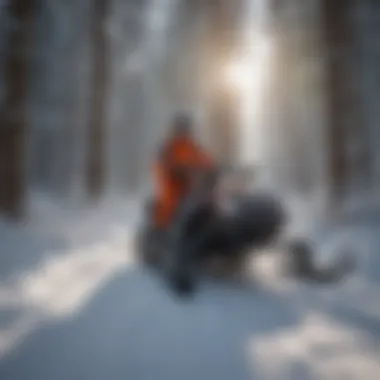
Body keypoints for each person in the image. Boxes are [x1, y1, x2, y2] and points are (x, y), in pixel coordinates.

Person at [152, 114, 215, 231]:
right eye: (181, 128)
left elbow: (207, 163)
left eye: (186, 128)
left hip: (194, 188)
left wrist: (213, 170)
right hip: (175, 188)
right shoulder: (169, 147)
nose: (184, 132)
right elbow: (161, 166)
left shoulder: (193, 148)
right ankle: (164, 230)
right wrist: (175, 170)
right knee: (169, 206)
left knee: (210, 204)